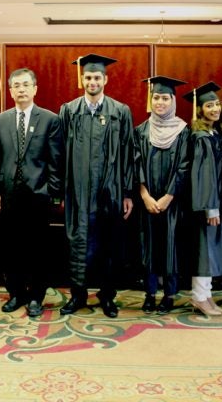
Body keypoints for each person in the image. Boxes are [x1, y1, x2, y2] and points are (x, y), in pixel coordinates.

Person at [59, 53, 134, 318]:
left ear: (105, 79)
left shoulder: (120, 111)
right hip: (78, 192)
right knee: (79, 244)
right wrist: (62, 191)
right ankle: (77, 296)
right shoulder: (69, 110)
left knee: (108, 246)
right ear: (82, 80)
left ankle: (107, 296)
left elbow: (128, 153)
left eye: (97, 77)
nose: (92, 81)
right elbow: (59, 153)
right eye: (88, 77)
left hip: (110, 192)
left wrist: (127, 192)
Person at [0, 68, 63, 317]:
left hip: (38, 196)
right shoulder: (0, 120)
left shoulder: (50, 119)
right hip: (9, 196)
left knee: (38, 250)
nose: (21, 89)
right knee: (11, 249)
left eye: (25, 85)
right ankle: (16, 294)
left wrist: (52, 192)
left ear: (35, 89)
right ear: (10, 91)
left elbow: (55, 160)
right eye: (16, 86)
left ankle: (36, 297)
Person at [133, 76, 189, 314]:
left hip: (171, 202)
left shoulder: (183, 130)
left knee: (170, 247)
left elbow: (184, 165)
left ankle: (169, 295)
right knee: (149, 247)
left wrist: (168, 196)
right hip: (147, 201)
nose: (160, 102)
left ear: (173, 100)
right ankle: (149, 294)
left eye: (165, 98)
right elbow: (135, 164)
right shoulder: (141, 131)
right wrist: (144, 194)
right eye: (156, 97)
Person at [183, 82, 222, 317]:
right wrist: (211, 208)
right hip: (207, 205)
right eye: (208, 105)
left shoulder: (214, 133)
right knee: (204, 252)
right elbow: (203, 176)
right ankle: (199, 298)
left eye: (216, 104)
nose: (214, 108)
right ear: (199, 109)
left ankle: (206, 295)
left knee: (211, 251)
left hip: (216, 201)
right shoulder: (201, 136)